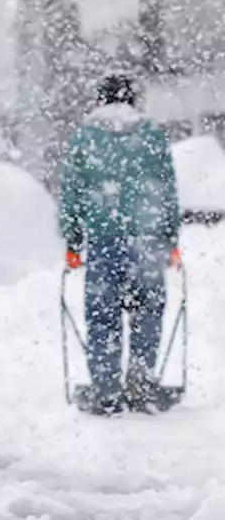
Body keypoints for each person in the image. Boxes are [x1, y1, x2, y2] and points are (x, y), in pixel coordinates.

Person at [59, 73, 182, 415]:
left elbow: (72, 193)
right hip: (147, 241)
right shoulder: (152, 136)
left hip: (103, 241)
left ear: (101, 100)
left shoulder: (85, 138)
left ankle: (106, 391)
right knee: (147, 314)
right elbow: (166, 191)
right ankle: (141, 386)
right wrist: (170, 238)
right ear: (133, 101)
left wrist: (73, 240)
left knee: (102, 317)